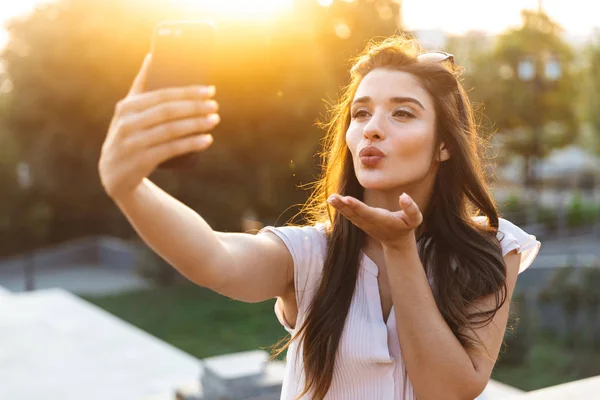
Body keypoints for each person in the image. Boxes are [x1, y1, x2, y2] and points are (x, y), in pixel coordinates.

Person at [98, 36, 541, 400]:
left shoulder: (494, 249)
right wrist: (129, 188)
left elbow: (447, 390)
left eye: (402, 112)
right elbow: (215, 257)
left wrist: (400, 248)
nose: (372, 127)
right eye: (361, 112)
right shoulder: (311, 254)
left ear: (444, 145)